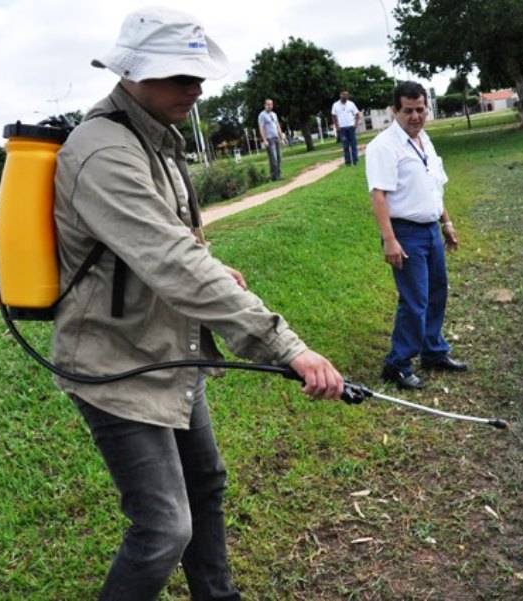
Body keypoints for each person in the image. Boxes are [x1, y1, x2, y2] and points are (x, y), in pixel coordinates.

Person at [52, 7, 343, 600]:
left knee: (206, 483)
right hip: (115, 363)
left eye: (198, 74)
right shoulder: (102, 150)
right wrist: (287, 346)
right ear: (133, 71)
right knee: (164, 528)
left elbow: (177, 245)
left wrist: (214, 267)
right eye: (179, 75)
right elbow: (173, 262)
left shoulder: (155, 136)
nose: (196, 87)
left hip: (168, 348)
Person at [364, 81, 467, 390]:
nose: (415, 116)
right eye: (408, 110)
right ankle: (397, 363)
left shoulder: (425, 140)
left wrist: (446, 223)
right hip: (405, 233)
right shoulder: (384, 146)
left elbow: (434, 186)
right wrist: (390, 239)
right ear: (394, 110)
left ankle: (434, 351)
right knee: (415, 300)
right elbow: (378, 195)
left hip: (431, 229)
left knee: (437, 291)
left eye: (420, 109)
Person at [331, 90, 361, 166]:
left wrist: (356, 125)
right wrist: (337, 126)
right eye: (344, 94)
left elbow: (357, 114)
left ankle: (355, 160)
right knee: (345, 146)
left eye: (347, 95)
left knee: (353, 144)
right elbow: (333, 116)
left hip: (351, 127)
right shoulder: (335, 105)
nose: (346, 96)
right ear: (340, 95)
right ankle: (347, 162)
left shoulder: (351, 104)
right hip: (342, 128)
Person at [258, 98, 282, 180]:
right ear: (265, 105)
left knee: (279, 157)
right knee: (273, 158)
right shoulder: (262, 115)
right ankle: (274, 176)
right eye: (268, 104)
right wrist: (264, 140)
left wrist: (281, 137)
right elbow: (261, 128)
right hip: (269, 139)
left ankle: (278, 175)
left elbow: (277, 125)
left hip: (276, 138)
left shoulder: (274, 114)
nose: (270, 106)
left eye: (271, 104)